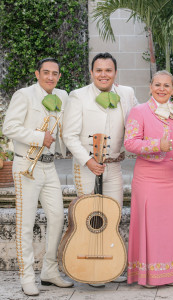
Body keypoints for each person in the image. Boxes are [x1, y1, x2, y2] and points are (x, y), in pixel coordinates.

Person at [62, 52, 138, 283]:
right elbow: (69, 135)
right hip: (87, 167)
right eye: (99, 70)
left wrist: (167, 106)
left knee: (112, 218)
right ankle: (91, 270)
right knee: (90, 219)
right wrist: (88, 160)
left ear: (115, 73)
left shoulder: (126, 93)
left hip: (114, 166)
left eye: (108, 70)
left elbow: (139, 117)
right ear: (92, 72)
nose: (103, 75)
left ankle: (111, 266)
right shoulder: (78, 96)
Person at [124, 70, 173, 287]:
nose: (161, 89)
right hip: (149, 176)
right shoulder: (138, 111)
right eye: (157, 85)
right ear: (150, 87)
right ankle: (151, 275)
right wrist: (157, 145)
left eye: (167, 86)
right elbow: (130, 143)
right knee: (153, 226)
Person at [3, 58, 73, 296]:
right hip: (26, 165)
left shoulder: (63, 96)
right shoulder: (24, 95)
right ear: (37, 74)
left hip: (49, 166)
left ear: (59, 76)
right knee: (25, 223)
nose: (50, 77)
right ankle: (26, 277)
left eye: (55, 73)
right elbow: (9, 127)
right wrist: (37, 136)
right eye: (46, 73)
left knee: (57, 218)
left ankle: (49, 272)